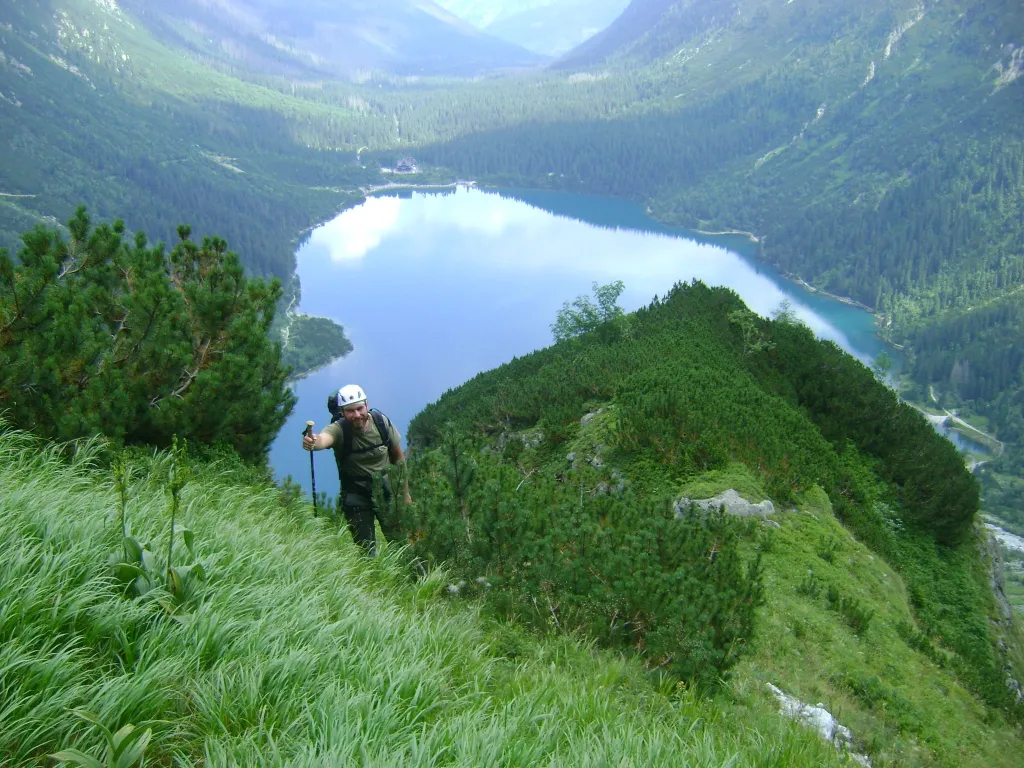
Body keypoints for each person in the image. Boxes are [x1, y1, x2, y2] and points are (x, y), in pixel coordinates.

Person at [302, 384, 412, 554]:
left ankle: (412, 570)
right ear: (342, 412)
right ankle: (374, 572)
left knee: (402, 544)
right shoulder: (339, 429)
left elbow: (399, 458)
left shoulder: (381, 423)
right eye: (350, 411)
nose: (357, 415)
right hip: (356, 495)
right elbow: (323, 439)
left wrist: (405, 494)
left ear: (367, 405)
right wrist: (313, 441)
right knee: (366, 552)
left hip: (386, 492)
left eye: (360, 408)